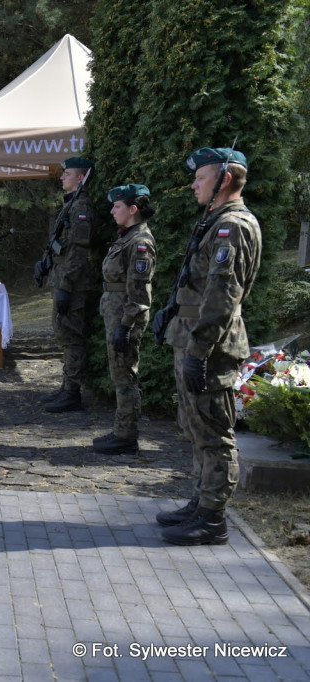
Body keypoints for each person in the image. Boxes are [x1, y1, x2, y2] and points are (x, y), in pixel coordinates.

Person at [157, 147, 261, 546]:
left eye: (201, 177)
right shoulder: (214, 222)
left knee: (214, 433)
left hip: (211, 347)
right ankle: (200, 504)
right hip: (192, 339)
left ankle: (213, 520)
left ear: (226, 179)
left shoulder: (232, 226)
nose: (193, 184)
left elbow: (222, 295)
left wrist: (198, 351)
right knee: (196, 427)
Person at [92, 184, 157, 455]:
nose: (111, 211)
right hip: (116, 313)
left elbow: (139, 291)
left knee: (125, 374)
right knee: (119, 373)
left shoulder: (140, 242)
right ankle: (122, 428)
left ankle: (127, 434)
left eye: (117, 206)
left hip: (125, 317)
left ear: (132, 209)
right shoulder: (126, 237)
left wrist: (126, 325)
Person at [41, 157, 96, 413]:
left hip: (73, 285)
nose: (62, 177)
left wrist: (66, 285)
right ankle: (66, 387)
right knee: (64, 334)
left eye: (68, 174)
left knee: (72, 337)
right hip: (63, 279)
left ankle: (72, 392)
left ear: (81, 178)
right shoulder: (70, 205)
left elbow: (78, 252)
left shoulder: (81, 207)